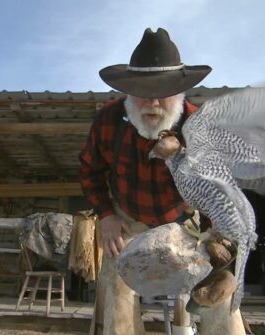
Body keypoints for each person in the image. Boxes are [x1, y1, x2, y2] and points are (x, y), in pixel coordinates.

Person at [79, 28, 212, 335]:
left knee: (214, 291)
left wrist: (215, 235)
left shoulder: (198, 125)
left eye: (163, 92)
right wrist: (106, 215)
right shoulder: (108, 120)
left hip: (182, 219)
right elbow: (89, 170)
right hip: (127, 220)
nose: (153, 102)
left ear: (179, 93)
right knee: (116, 291)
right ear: (128, 92)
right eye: (143, 91)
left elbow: (215, 186)